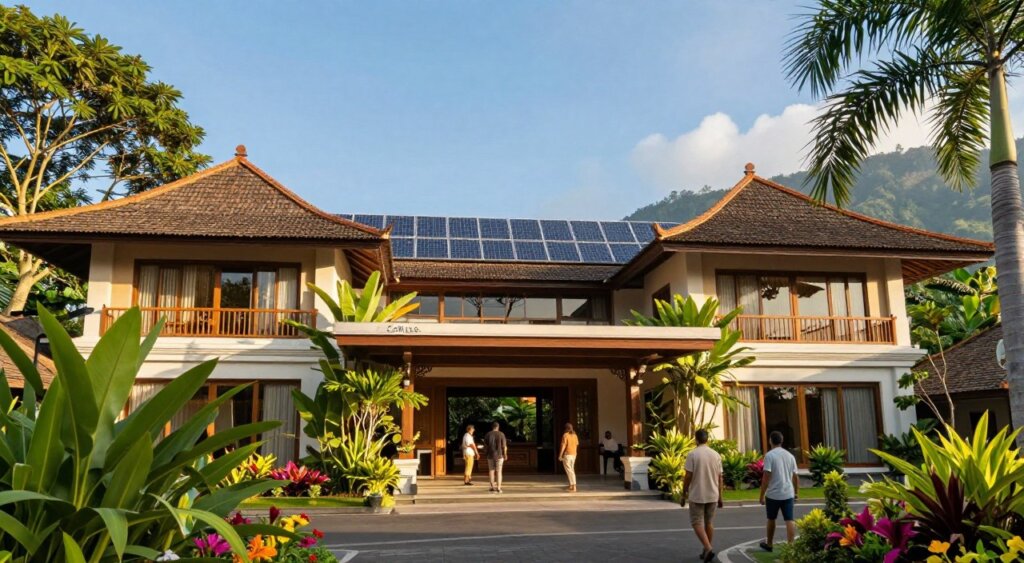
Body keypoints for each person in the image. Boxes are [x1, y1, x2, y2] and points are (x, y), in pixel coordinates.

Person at [682, 429, 724, 563]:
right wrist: (721, 497)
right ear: (708, 439)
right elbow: (720, 477)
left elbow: (688, 476)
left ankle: (708, 548)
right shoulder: (716, 455)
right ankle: (706, 550)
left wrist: (684, 493)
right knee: (709, 522)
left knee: (696, 522)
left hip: (697, 494)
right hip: (713, 493)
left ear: (696, 440)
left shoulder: (692, 454)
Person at [759, 430, 800, 552]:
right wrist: (796, 493)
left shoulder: (769, 456)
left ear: (770, 441)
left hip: (773, 494)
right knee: (789, 519)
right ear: (781, 441)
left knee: (771, 518)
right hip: (788, 493)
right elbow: (795, 476)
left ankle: (770, 544)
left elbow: (766, 477)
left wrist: (761, 496)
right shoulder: (790, 456)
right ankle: (791, 546)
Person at [484, 421, 508, 493]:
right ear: (498, 427)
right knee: (499, 471)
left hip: (490, 455)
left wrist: (486, 454)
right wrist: (505, 454)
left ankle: (492, 487)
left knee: (491, 471)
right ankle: (498, 488)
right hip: (499, 455)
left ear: (492, 427)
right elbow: (504, 446)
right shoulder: (501, 434)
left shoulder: (488, 434)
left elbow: (485, 446)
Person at [559, 422, 580, 492]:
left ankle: (574, 486)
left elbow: (563, 445)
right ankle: (571, 485)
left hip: (567, 454)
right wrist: (575, 453)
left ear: (566, 429)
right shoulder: (575, 435)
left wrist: (560, 455)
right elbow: (576, 445)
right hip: (574, 454)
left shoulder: (565, 435)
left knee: (569, 470)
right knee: (571, 469)